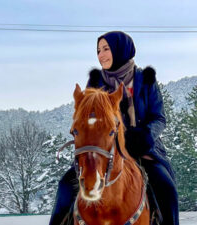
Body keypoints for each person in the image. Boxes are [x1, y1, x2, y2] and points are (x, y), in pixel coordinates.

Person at [49, 31, 179, 225]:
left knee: (166, 188)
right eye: (98, 50)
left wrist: (145, 136)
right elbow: (86, 118)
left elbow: (159, 118)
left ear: (121, 50)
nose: (101, 55)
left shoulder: (146, 79)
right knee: (65, 187)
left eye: (106, 49)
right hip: (102, 151)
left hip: (142, 150)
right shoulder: (95, 82)